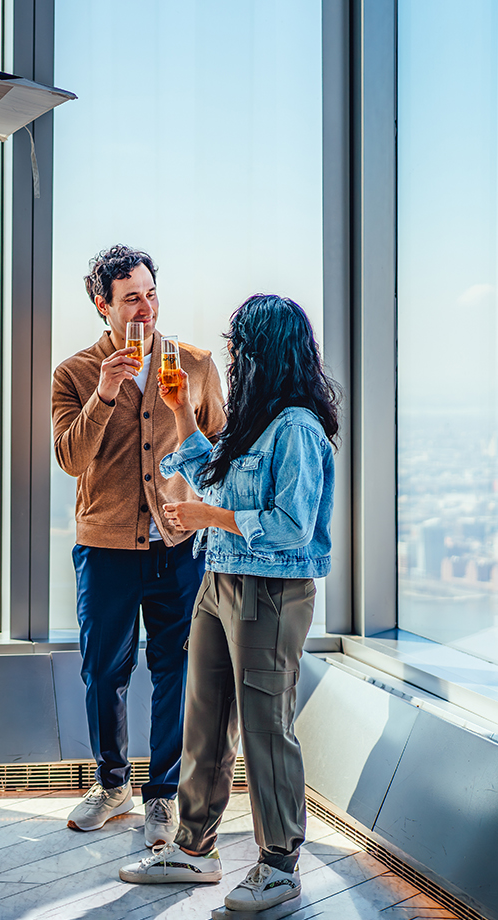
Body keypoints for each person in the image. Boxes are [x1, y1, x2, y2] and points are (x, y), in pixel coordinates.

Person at [118, 294, 337, 914]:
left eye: (241, 346)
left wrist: (204, 516)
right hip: (220, 582)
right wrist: (183, 413)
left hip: (269, 590)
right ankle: (193, 846)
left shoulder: (296, 426)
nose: (233, 358)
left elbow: (293, 525)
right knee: (206, 719)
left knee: (266, 726)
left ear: (265, 349)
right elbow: (215, 474)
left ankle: (279, 864)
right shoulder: (256, 418)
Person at [52, 245, 226, 847]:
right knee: (104, 670)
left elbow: (221, 457)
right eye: (130, 298)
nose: (145, 309)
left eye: (151, 294)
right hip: (105, 547)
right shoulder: (74, 374)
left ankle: (162, 794)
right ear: (104, 306)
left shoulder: (196, 364)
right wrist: (104, 394)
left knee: (173, 666)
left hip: (180, 546)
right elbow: (71, 459)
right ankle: (111, 783)